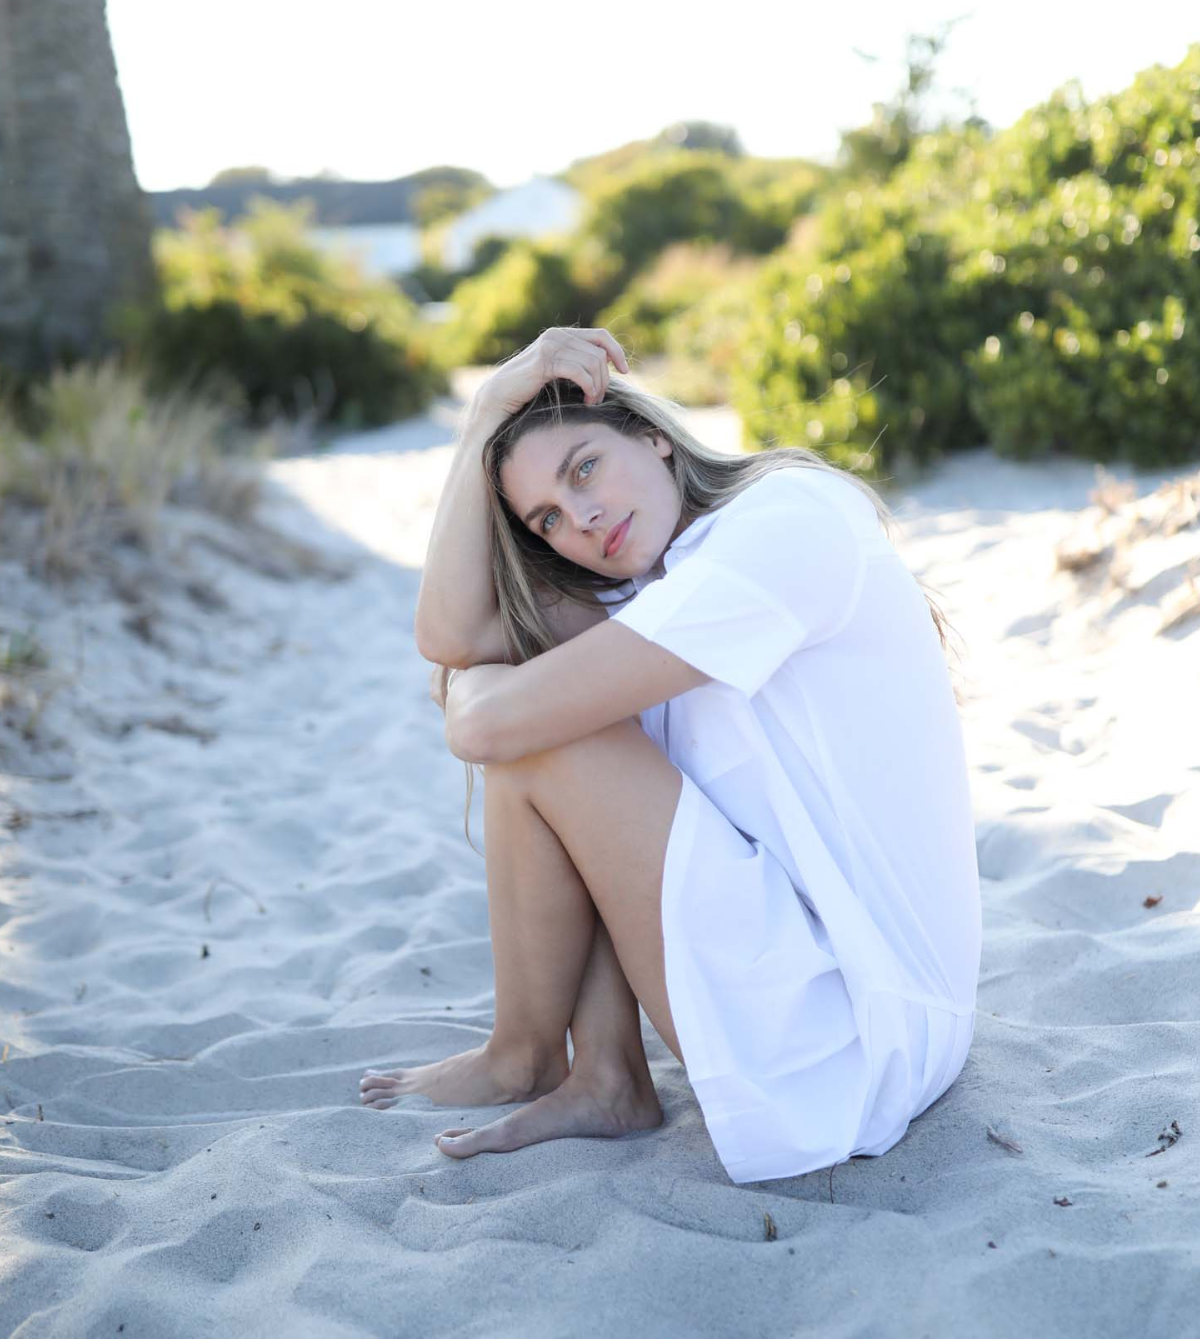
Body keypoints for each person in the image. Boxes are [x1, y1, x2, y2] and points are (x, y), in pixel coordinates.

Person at [358, 326, 982, 1185]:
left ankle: (526, 1054)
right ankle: (602, 1072)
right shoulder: (658, 585)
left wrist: (482, 688)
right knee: (537, 708)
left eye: (584, 469)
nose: (579, 518)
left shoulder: (781, 524)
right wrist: (480, 418)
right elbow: (450, 634)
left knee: (541, 731)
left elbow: (482, 723)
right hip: (831, 992)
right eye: (547, 517)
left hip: (859, 1037)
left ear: (654, 438)